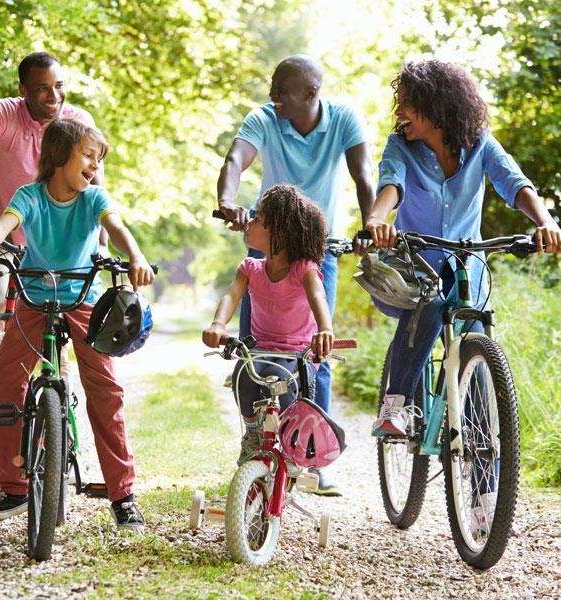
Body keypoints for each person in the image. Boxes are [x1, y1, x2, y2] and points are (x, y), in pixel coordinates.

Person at [0, 119, 154, 529]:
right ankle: (13, 485)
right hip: (33, 299)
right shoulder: (30, 196)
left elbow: (116, 228)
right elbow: (3, 227)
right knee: (4, 384)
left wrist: (135, 256)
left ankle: (123, 495)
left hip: (81, 299)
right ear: (59, 156)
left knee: (106, 390)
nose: (94, 167)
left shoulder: (93, 199)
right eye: (88, 156)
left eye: (98, 160)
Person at [362, 58, 561, 440]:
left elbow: (515, 183)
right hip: (418, 266)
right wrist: (376, 220)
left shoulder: (481, 143)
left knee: (477, 348)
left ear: (435, 106)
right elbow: (391, 184)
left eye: (407, 102)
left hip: (469, 264)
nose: (399, 112)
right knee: (431, 303)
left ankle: (485, 474)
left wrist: (546, 222)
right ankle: (397, 404)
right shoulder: (401, 147)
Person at [0, 52, 101, 445]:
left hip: (63, 251)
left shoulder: (78, 122)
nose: (54, 97)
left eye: (59, 87)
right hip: (9, 241)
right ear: (22, 90)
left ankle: (57, 409)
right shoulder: (2, 114)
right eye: (42, 89)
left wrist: (98, 243)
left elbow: (96, 182)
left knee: (59, 321)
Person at [212, 56, 374, 425]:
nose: (273, 97)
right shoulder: (264, 118)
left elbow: (363, 175)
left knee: (319, 349)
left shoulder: (344, 119)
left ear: (311, 93)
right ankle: (257, 444)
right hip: (267, 246)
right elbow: (235, 160)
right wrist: (226, 201)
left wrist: (370, 224)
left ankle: (314, 451)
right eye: (272, 88)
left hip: (319, 250)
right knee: (252, 351)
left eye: (281, 90)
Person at [203, 184, 340, 493]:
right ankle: (253, 433)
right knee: (244, 376)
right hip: (260, 350)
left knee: (280, 381)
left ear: (281, 233)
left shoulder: (303, 269)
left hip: (296, 354)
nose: (249, 224)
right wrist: (218, 324)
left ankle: (292, 444)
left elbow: (318, 296)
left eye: (258, 220)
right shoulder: (250, 268)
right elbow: (231, 296)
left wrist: (325, 329)